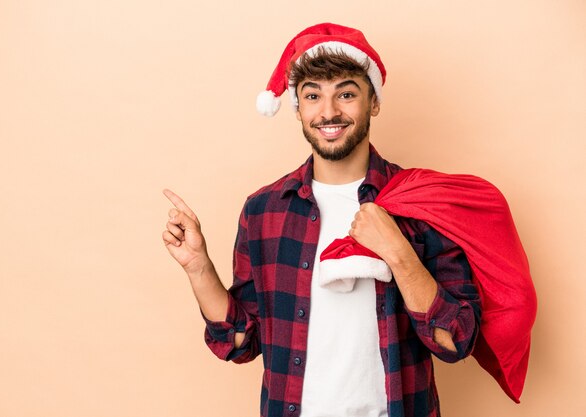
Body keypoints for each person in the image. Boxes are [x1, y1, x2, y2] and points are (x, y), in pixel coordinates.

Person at [162, 23, 481, 417]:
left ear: (373, 102)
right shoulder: (264, 211)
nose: (329, 112)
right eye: (312, 95)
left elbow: (456, 340)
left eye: (346, 94)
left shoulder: (419, 203)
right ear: (298, 106)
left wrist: (398, 253)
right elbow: (241, 341)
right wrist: (199, 268)